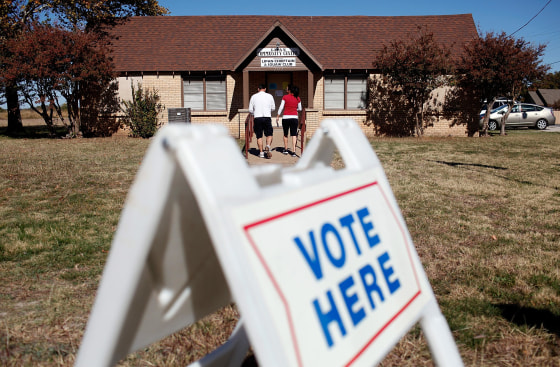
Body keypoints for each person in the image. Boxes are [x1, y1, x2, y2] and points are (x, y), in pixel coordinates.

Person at [249, 84, 275, 158]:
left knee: (259, 136)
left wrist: (255, 112)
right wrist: (268, 111)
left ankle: (261, 153)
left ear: (258, 89)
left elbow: (250, 109)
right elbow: (273, 108)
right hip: (267, 117)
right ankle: (268, 145)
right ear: (265, 89)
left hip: (257, 118)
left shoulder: (253, 96)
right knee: (269, 134)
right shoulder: (270, 96)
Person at [276, 84, 301, 157]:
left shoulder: (285, 97)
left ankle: (286, 149)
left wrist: (278, 116)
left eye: (287, 88)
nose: (286, 89)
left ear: (289, 90)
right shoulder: (298, 98)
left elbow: (281, 107)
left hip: (286, 118)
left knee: (285, 134)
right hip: (294, 118)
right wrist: (294, 109)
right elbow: (300, 109)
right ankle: (293, 151)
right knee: (294, 134)